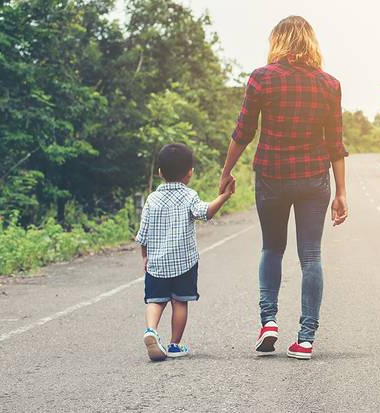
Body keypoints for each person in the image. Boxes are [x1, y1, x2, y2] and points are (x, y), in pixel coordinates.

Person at [219, 15, 349, 360]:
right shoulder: (329, 84)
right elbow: (335, 144)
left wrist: (226, 171)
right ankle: (306, 339)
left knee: (272, 248)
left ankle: (269, 323)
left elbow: (243, 132)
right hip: (313, 179)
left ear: (278, 41)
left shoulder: (262, 78)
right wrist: (341, 192)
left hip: (272, 178)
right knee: (311, 257)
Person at [136, 143, 235, 361]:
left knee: (155, 300)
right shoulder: (189, 196)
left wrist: (145, 256)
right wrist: (224, 197)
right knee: (180, 302)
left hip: (157, 264)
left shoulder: (152, 199)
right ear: (189, 173)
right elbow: (206, 212)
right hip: (184, 263)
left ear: (160, 172)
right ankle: (174, 345)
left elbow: (143, 233)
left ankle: (151, 331)